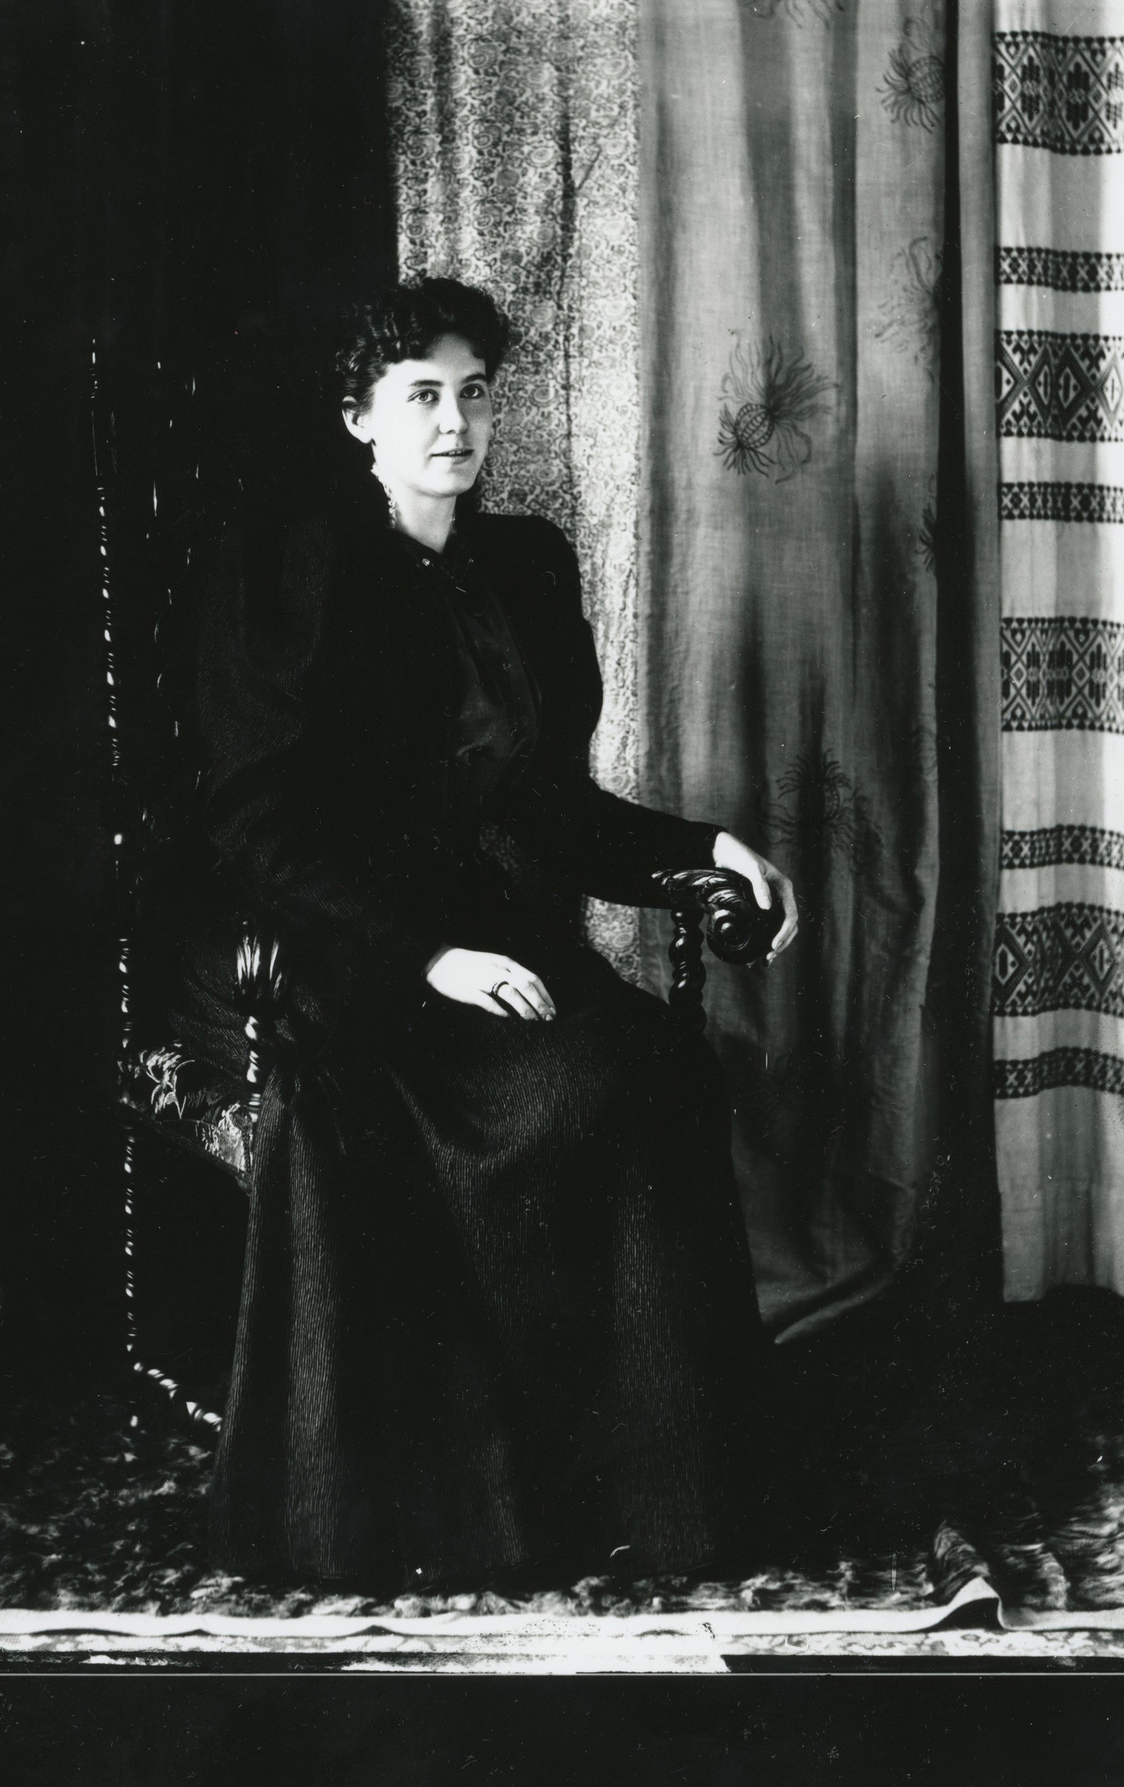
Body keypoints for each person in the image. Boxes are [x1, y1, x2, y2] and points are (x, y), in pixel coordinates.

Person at [171, 278, 799, 1592]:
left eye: (473, 394)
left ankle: (654, 1488)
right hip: (344, 956)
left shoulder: (525, 566)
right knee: (569, 1089)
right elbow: (256, 821)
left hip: (498, 943)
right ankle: (486, 1502)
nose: (453, 423)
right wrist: (424, 956)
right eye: (420, 396)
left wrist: (704, 847)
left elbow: (549, 807)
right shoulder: (293, 565)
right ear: (360, 418)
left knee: (652, 1068)